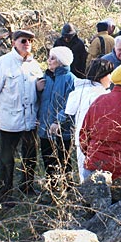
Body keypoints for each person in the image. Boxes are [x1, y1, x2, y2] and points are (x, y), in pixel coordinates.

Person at [0, 30, 44, 204]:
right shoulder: (2, 64)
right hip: (9, 121)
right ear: (14, 43)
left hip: (30, 120)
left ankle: (27, 186)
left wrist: (38, 91)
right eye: (23, 40)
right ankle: (5, 193)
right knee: (7, 160)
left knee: (30, 156)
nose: (27, 43)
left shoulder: (34, 65)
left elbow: (39, 93)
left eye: (30, 41)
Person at [63, 58, 113, 183]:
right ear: (102, 75)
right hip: (98, 141)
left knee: (83, 175)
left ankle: (84, 199)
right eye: (109, 74)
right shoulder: (103, 95)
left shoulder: (78, 91)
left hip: (80, 139)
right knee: (99, 178)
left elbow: (69, 112)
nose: (111, 78)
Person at [38, 46, 77, 189]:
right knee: (48, 159)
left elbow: (70, 105)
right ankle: (52, 188)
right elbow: (41, 101)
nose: (49, 61)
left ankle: (68, 189)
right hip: (44, 127)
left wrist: (57, 121)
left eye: (53, 58)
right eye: (49, 57)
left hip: (62, 130)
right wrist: (37, 89)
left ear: (61, 62)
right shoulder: (46, 77)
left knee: (64, 160)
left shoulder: (70, 79)